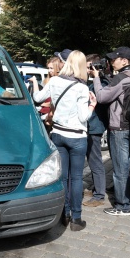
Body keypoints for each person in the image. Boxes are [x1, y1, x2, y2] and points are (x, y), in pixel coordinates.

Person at [32, 50, 97, 231]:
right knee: (76, 178)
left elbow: (37, 99)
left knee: (62, 177)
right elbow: (84, 117)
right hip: (76, 137)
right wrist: (92, 105)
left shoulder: (54, 81)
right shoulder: (82, 88)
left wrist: (34, 85)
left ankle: (64, 213)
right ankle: (76, 218)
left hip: (58, 134)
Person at [92, 46, 130, 216]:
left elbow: (102, 97)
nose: (111, 62)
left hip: (119, 127)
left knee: (119, 169)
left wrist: (97, 78)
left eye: (114, 59)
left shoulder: (121, 77)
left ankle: (122, 205)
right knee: (128, 167)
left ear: (124, 61)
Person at [82, 54, 109, 207]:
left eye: (88, 67)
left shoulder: (102, 83)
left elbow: (99, 99)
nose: (87, 70)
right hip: (91, 126)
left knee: (95, 160)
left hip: (95, 127)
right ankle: (96, 189)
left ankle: (99, 195)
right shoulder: (94, 82)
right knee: (93, 160)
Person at [38, 57, 61, 134]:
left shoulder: (61, 82)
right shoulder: (45, 81)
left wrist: (45, 104)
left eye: (51, 68)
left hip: (53, 117)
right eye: (48, 68)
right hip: (43, 114)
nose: (49, 70)